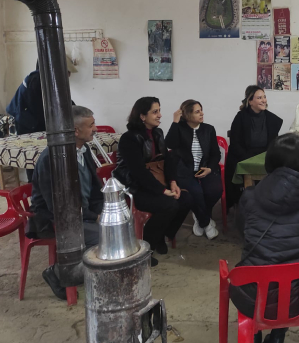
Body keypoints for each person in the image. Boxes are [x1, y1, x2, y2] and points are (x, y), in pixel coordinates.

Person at [230, 134, 299, 343]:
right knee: (291, 271)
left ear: (270, 161)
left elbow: (244, 233)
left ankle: (254, 339)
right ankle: (277, 339)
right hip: (298, 298)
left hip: (250, 295)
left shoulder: (249, 196)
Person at [30, 105, 104, 300]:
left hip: (83, 213)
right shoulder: (51, 159)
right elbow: (56, 207)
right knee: (105, 237)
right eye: (91, 125)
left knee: (118, 227)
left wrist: (101, 211)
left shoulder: (84, 150)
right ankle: (56, 272)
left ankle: (94, 273)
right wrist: (93, 217)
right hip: (56, 219)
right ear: (76, 131)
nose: (95, 129)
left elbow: (95, 189)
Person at [114, 97, 189, 260]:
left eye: (159, 111)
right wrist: (163, 190)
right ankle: (145, 249)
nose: (160, 115)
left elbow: (167, 161)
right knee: (169, 205)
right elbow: (138, 172)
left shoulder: (157, 133)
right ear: (142, 116)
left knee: (186, 198)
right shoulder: (129, 138)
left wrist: (173, 182)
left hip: (157, 181)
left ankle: (161, 234)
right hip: (137, 187)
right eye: (155, 112)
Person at [6, 57, 77, 180]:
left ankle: (43, 182)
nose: (68, 76)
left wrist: (77, 111)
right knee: (33, 156)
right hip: (27, 123)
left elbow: (63, 100)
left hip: (35, 121)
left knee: (44, 156)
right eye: (67, 72)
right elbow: (42, 108)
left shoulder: (47, 80)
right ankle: (34, 184)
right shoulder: (37, 80)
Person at [165, 100, 224, 240]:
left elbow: (216, 154)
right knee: (196, 193)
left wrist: (209, 168)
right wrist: (175, 122)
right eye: (197, 112)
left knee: (214, 190)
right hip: (185, 170)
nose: (202, 113)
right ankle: (206, 223)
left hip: (205, 168)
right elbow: (170, 144)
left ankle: (199, 215)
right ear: (187, 114)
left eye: (201, 110)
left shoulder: (208, 129)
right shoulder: (179, 128)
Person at [225, 86, 283, 210]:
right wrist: (248, 159)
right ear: (250, 101)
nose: (263, 100)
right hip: (244, 155)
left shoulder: (272, 119)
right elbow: (235, 144)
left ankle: (270, 204)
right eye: (259, 98)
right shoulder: (240, 117)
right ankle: (246, 205)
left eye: (264, 97)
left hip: (264, 155)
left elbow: (273, 143)